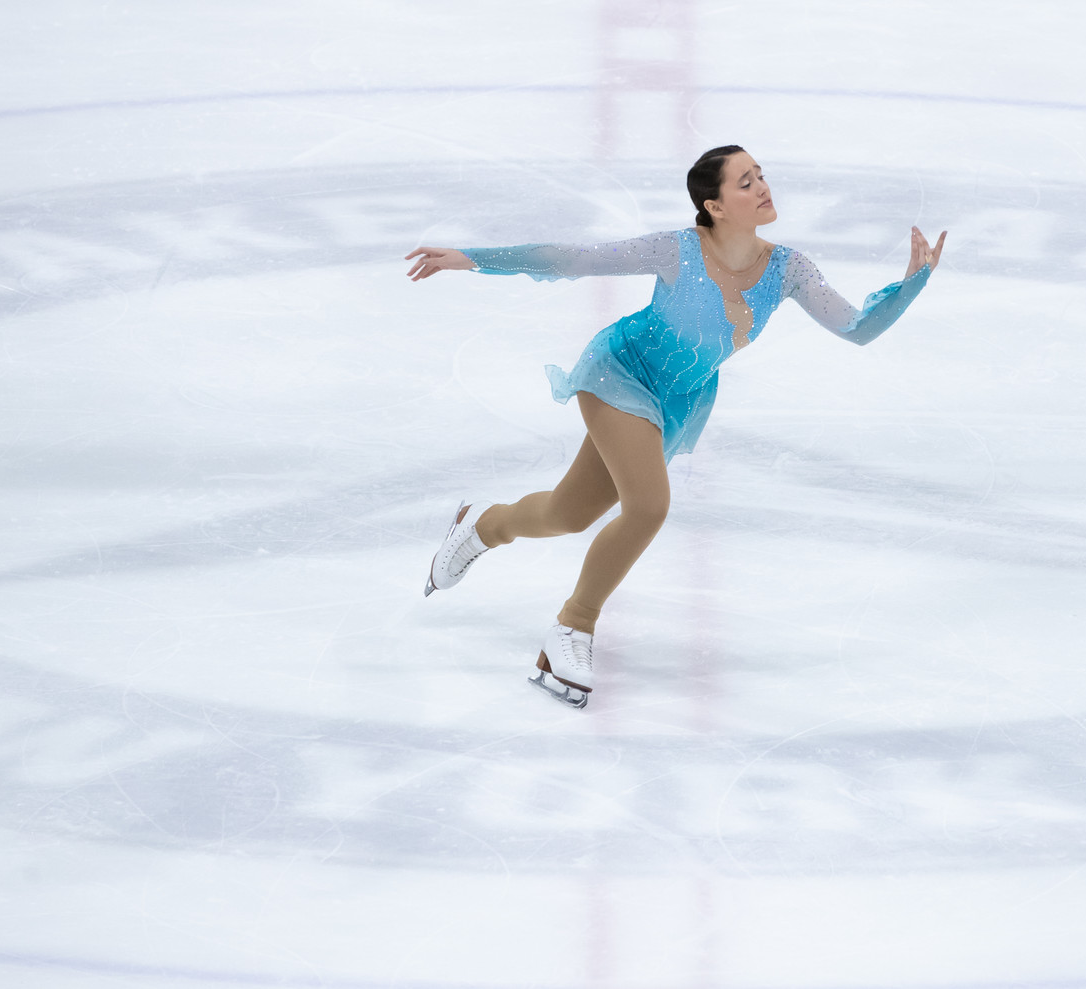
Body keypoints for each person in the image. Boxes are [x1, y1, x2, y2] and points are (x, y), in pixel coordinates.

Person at [404, 146, 946, 708]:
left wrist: (913, 283)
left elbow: (856, 328)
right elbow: (576, 258)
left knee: (570, 513)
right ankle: (573, 626)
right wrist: (473, 258)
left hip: (677, 400)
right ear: (713, 205)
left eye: (760, 175)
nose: (762, 187)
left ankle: (481, 527)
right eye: (745, 182)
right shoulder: (678, 250)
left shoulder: (788, 269)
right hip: (620, 372)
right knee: (648, 507)